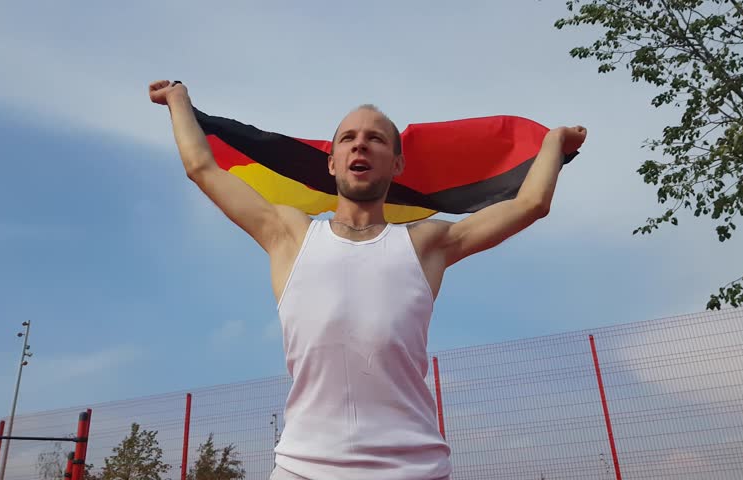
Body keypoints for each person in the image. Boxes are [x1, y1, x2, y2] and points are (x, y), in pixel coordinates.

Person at [149, 80, 587, 480]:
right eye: (348, 138)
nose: (361, 144)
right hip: (303, 468)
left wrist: (553, 143)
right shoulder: (288, 235)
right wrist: (178, 101)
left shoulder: (427, 244)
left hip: (414, 469)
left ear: (397, 164)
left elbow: (530, 203)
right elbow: (202, 169)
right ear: (332, 163)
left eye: (375, 138)